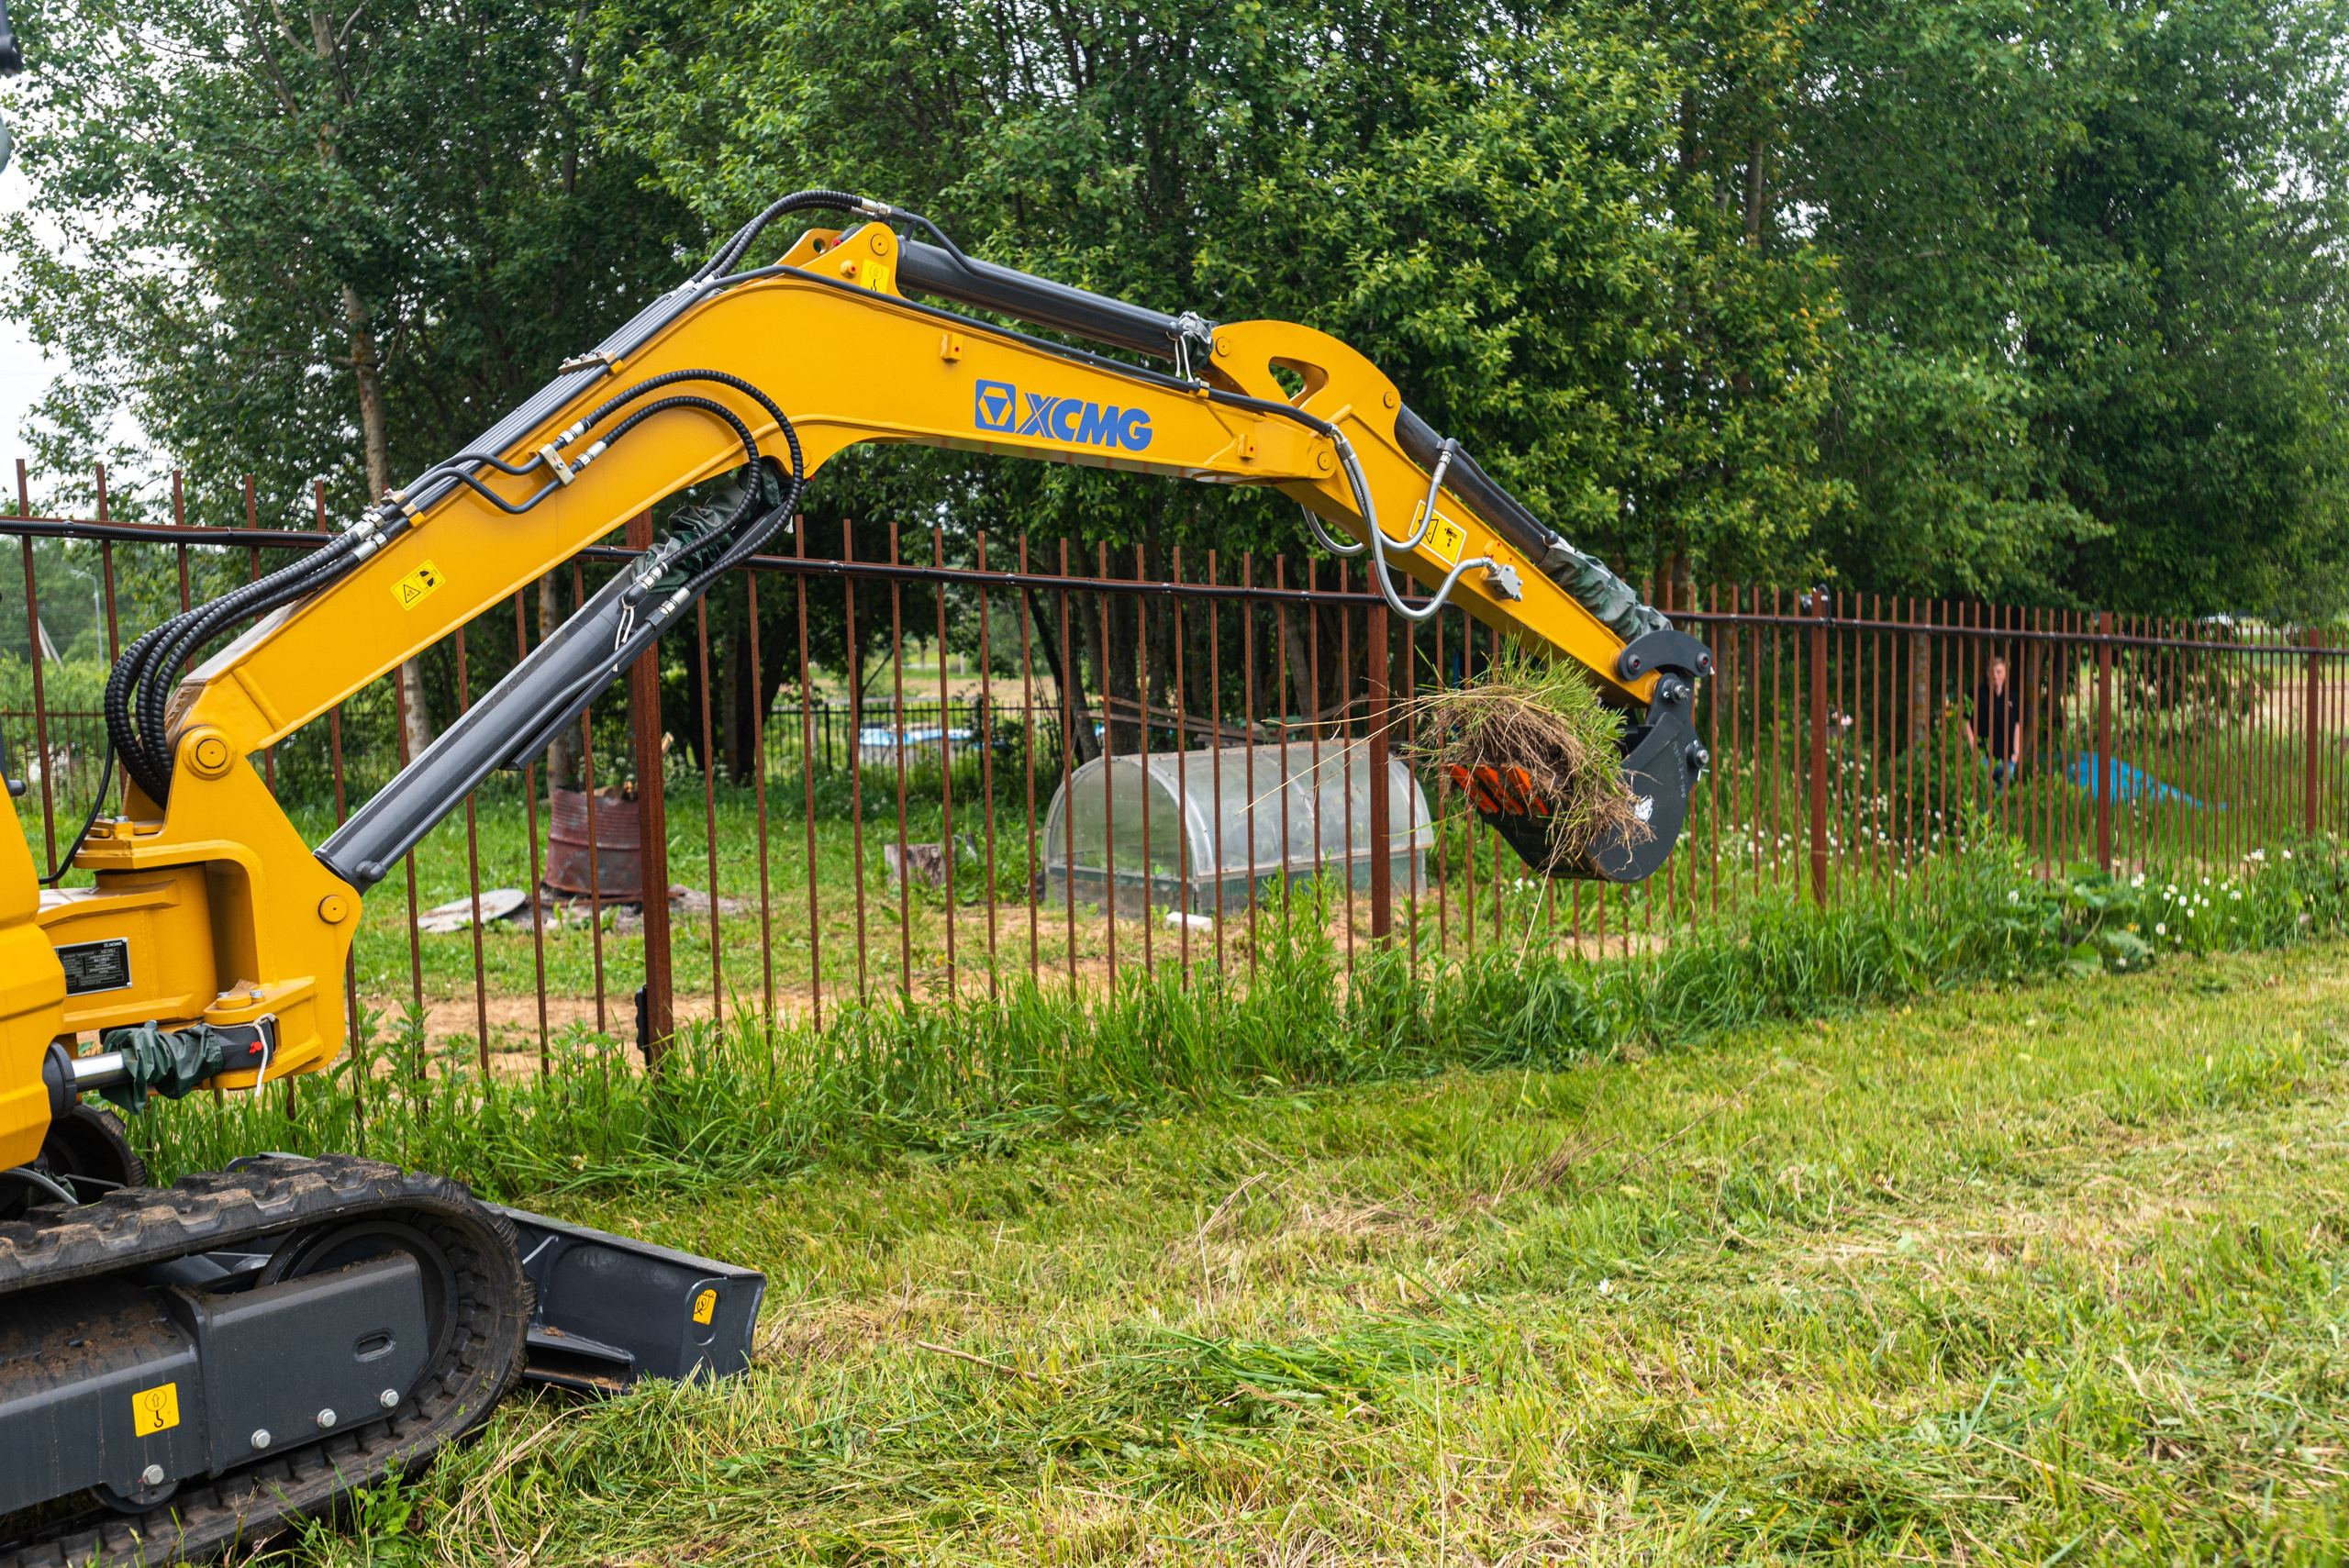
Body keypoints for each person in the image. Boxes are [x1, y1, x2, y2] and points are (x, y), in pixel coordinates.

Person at [1966, 655, 2021, 787]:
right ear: (1987, 673)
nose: (1995, 675)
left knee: (2002, 798)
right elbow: (1966, 723)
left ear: (2005, 673)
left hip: (2007, 760)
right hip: (1983, 759)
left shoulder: (2013, 697)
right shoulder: (1975, 694)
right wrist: (1974, 750)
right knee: (1982, 796)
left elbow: (2017, 725)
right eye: (1992, 672)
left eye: (1999, 672)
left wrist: (2016, 752)